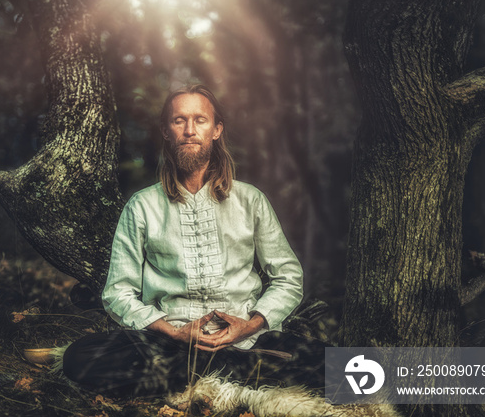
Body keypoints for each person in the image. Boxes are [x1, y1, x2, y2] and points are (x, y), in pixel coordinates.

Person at [63, 85, 323, 396]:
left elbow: (288, 277)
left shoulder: (251, 200)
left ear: (216, 130)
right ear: (165, 130)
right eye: (179, 120)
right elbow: (118, 291)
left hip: (247, 341)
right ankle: (240, 375)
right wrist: (172, 332)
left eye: (200, 120)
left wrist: (250, 326)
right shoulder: (142, 206)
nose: (189, 130)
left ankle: (218, 373)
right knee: (79, 358)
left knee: (375, 371)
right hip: (170, 345)